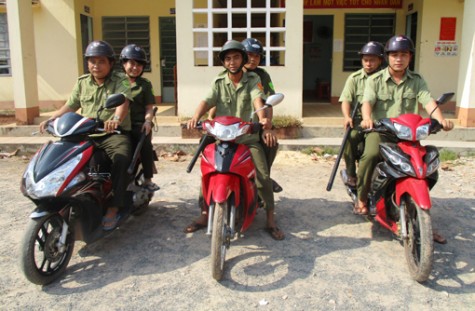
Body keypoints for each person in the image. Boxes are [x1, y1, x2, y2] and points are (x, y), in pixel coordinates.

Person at [184, 40, 284, 240]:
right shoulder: (218, 81)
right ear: (223, 62)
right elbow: (207, 100)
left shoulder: (254, 78)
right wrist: (196, 116)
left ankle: (270, 218)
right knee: (208, 171)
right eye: (228, 58)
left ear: (242, 59)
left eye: (236, 57)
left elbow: (259, 99)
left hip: (246, 138)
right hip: (221, 137)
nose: (232, 62)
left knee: (262, 175)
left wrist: (263, 119)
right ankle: (205, 213)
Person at [359, 35, 453, 244]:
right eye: (394, 55)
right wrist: (367, 119)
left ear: (410, 57)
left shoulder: (417, 81)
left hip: (409, 135)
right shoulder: (375, 80)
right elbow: (367, 102)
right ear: (387, 57)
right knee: (371, 154)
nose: (399, 59)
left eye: (403, 54)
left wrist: (441, 120)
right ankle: (362, 197)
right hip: (382, 132)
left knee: (426, 167)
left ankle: (419, 214)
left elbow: (429, 102)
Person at [39, 40, 132, 231]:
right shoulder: (82, 82)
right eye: (92, 61)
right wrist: (52, 118)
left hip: (111, 133)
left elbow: (123, 103)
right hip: (85, 133)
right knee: (70, 161)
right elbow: (70, 105)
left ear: (110, 63)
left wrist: (115, 119)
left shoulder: (120, 80)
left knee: (121, 158)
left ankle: (114, 206)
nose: (96, 65)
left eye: (101, 61)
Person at [209, 37, 282, 193]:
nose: (253, 59)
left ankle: (263, 176)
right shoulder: (228, 74)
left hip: (254, 124)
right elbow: (215, 100)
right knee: (207, 150)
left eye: (257, 56)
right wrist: (209, 120)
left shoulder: (262, 76)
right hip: (228, 126)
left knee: (271, 143)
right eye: (249, 55)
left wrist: (267, 125)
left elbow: (268, 102)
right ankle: (206, 203)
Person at [338, 41, 385, 188]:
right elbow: (346, 99)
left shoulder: (385, 78)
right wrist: (347, 116)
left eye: (372, 60)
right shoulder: (354, 78)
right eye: (365, 60)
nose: (368, 63)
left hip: (382, 121)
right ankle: (351, 173)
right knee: (350, 137)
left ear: (380, 61)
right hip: (359, 120)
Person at [120, 43, 159, 192]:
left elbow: (149, 107)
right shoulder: (116, 82)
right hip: (119, 125)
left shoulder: (145, 84)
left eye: (139, 65)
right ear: (124, 64)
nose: (135, 68)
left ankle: (148, 179)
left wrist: (148, 121)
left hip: (137, 124)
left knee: (145, 146)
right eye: (132, 63)